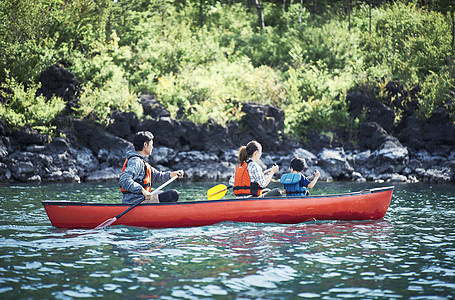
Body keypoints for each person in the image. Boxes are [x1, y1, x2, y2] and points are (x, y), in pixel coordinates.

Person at [119, 131, 184, 204]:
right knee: (173, 194)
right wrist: (142, 190)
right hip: (135, 202)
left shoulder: (142, 161)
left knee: (161, 193)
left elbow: (158, 176)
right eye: (151, 145)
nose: (152, 147)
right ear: (145, 145)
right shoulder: (136, 162)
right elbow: (124, 180)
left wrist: (174, 174)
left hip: (141, 199)